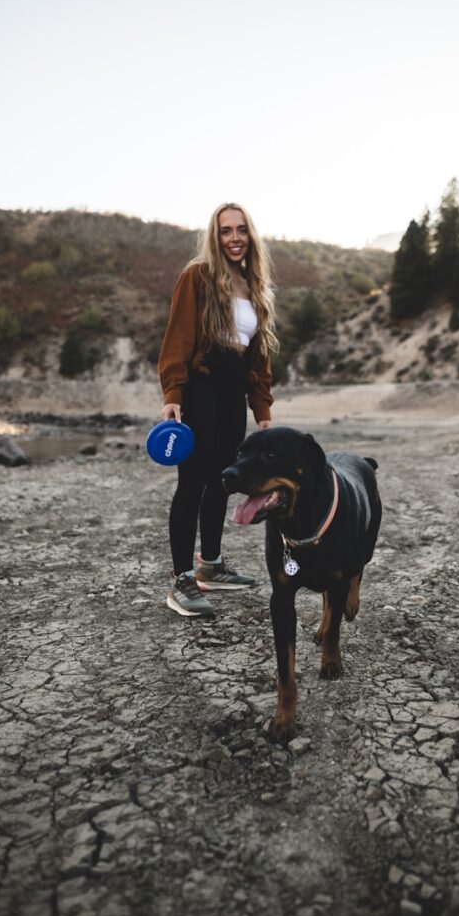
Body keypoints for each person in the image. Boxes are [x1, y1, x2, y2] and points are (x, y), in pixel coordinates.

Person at [157, 202, 278, 618]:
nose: (234, 238)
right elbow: (178, 338)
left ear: (250, 235)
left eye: (241, 230)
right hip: (200, 388)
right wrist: (173, 395)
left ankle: (210, 565)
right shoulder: (198, 277)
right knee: (192, 483)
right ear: (215, 236)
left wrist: (261, 408)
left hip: (233, 396)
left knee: (222, 481)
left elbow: (258, 357)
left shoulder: (254, 286)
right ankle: (181, 581)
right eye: (225, 231)